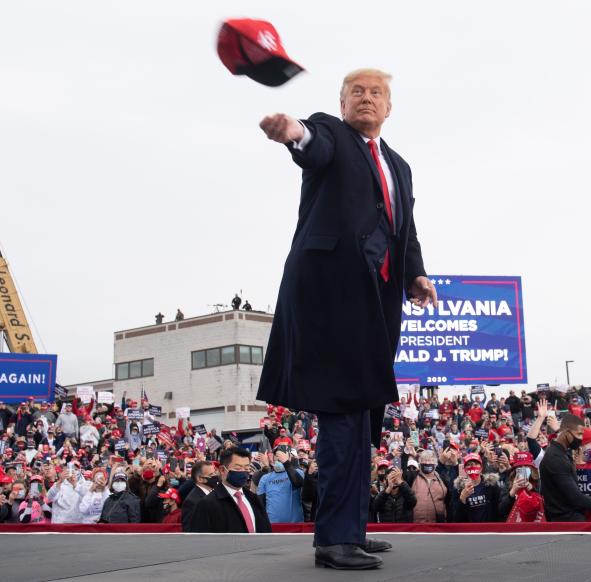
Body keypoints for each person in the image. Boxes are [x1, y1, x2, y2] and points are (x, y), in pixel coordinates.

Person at [256, 67, 435, 570]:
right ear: (341, 103)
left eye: (376, 93)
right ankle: (334, 540)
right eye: (357, 91)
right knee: (342, 410)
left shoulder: (398, 165)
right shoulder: (330, 132)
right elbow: (311, 143)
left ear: (389, 107)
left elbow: (406, 230)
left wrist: (416, 276)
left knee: (364, 414)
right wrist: (292, 132)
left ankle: (351, 530)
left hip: (376, 302)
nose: (367, 98)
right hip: (330, 296)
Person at [189, 447, 272, 534]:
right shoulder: (207, 504)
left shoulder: (254, 499)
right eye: (238, 468)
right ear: (222, 470)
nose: (243, 473)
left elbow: (266, 531)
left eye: (247, 468)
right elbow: (199, 541)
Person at [450, 453, 511, 522]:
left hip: (488, 529)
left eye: (476, 463)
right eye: (469, 464)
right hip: (469, 530)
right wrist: (462, 499)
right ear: (464, 469)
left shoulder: (491, 485)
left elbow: (500, 509)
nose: (472, 466)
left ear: (481, 468)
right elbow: (455, 518)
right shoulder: (458, 489)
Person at [256, 445, 305, 523]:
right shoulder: (265, 478)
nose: (279, 458)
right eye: (277, 455)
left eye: (283, 454)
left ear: (289, 457)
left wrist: (286, 463)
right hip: (272, 524)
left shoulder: (298, 472)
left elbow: (298, 483)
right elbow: (260, 502)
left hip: (295, 524)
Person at [406, 449, 449, 523]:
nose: (427, 462)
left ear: (435, 463)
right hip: (415, 525)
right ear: (419, 462)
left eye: (430, 460)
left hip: (438, 525)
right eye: (424, 460)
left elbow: (448, 499)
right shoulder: (412, 477)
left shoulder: (443, 478)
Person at [505, 451, 545, 522]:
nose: (523, 469)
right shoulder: (509, 482)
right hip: (514, 526)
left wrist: (532, 490)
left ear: (532, 468)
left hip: (534, 525)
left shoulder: (539, 482)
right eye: (520, 467)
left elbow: (544, 505)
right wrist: (512, 492)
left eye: (526, 466)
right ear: (515, 469)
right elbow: (502, 510)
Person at [182, 461, 218, 532]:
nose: (215, 476)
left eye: (215, 473)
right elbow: (189, 531)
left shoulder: (215, 493)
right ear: (200, 479)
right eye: (211, 474)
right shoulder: (192, 501)